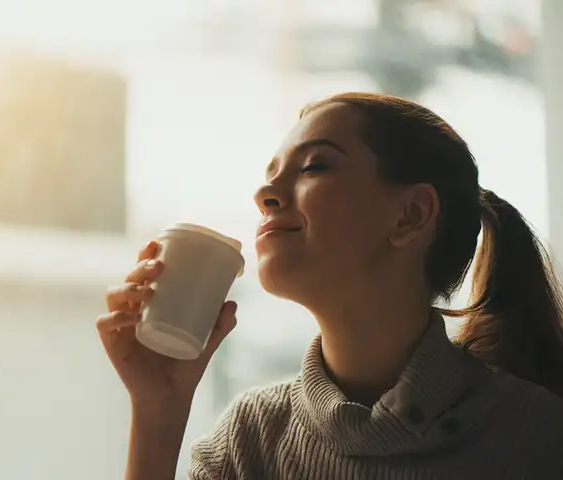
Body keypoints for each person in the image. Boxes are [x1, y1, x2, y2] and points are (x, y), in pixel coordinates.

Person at [96, 93, 563, 479]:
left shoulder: (538, 438)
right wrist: (158, 411)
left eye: (314, 166)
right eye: (270, 174)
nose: (265, 195)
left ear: (411, 215)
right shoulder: (251, 439)